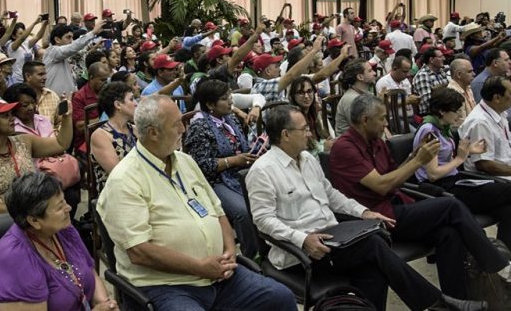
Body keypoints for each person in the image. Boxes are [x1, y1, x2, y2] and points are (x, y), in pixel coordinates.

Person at [247, 104, 485, 311]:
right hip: (302, 254)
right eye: (304, 129)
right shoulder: (263, 171)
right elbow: (263, 221)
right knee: (373, 244)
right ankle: (438, 303)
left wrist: (363, 212)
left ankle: (437, 304)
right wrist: (302, 239)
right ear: (286, 134)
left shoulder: (308, 159)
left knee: (374, 268)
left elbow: (331, 195)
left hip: (333, 239)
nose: (310, 133)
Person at [330, 93, 511, 299]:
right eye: (382, 118)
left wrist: (413, 157)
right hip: (374, 218)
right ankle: (504, 270)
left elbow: (394, 177)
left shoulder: (376, 142)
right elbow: (381, 186)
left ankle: (459, 301)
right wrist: (418, 161)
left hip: (396, 204)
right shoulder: (345, 148)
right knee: (451, 206)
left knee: (449, 233)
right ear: (365, 120)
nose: (386, 123)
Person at [97, 95, 295, 311]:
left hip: (217, 274)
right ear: (153, 133)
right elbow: (139, 251)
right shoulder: (124, 180)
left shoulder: (185, 161)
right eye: (176, 124)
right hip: (166, 285)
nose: (183, 129)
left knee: (280, 297)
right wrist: (200, 267)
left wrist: (229, 251)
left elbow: (218, 211)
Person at [414, 86, 511, 260]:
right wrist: (460, 158)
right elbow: (433, 174)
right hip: (442, 188)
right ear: (442, 111)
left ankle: (509, 263)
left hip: (455, 180)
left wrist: (469, 151)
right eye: (456, 111)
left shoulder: (442, 127)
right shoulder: (429, 131)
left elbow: (445, 158)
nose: (460, 115)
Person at [0, 172, 118, 310]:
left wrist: (106, 304)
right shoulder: (15, 260)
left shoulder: (63, 229)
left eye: (64, 201)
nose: (69, 208)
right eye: (59, 207)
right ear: (34, 221)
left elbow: (89, 271)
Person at [183, 78, 259, 259]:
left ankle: (269, 245)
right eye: (225, 98)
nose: (231, 101)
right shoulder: (199, 126)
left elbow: (241, 147)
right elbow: (201, 166)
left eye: (229, 96)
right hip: (215, 180)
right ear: (210, 104)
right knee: (243, 211)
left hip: (240, 173)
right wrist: (233, 161)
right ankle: (252, 256)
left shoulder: (230, 119)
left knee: (268, 195)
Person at [0, 94, 72, 216]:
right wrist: (19, 214)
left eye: (11, 114)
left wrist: (66, 117)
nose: (12, 119)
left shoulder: (24, 141)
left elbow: (61, 144)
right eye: (5, 116)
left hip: (30, 215)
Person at [460, 76, 511, 200]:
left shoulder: (498, 111)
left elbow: (503, 148)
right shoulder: (480, 122)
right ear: (497, 98)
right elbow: (484, 164)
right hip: (502, 178)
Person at [90, 81, 137, 194]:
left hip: (137, 186)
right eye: (131, 99)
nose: (136, 103)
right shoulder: (101, 136)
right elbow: (118, 174)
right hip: (115, 193)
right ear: (118, 105)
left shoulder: (135, 129)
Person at [44, 20, 105, 96]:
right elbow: (73, 47)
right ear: (57, 39)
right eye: (68, 37)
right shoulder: (52, 51)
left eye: (72, 38)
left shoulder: (64, 56)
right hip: (53, 100)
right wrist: (93, 33)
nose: (71, 41)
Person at [287, 76, 334, 154]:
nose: (306, 96)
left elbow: (321, 137)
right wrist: (323, 147)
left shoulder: (313, 113)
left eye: (309, 91)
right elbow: (301, 150)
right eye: (300, 93)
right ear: (293, 96)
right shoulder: (293, 117)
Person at [72, 62, 110, 150]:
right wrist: (104, 118)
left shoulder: (107, 91)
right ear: (91, 78)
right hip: (87, 142)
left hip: (107, 135)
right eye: (102, 80)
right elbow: (80, 126)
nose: (105, 83)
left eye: (106, 80)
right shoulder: (79, 97)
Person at [334, 58, 376, 136]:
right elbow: (364, 129)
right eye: (370, 71)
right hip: (352, 141)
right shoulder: (351, 99)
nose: (374, 73)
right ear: (360, 77)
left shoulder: (366, 93)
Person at [412, 47, 449, 116]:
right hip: (430, 114)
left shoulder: (441, 72)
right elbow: (428, 102)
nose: (444, 59)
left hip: (443, 111)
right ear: (431, 60)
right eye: (440, 57)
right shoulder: (422, 75)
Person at [446, 57, 476, 129]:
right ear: (459, 74)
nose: (474, 74)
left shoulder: (468, 88)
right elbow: (459, 125)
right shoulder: (452, 94)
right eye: (470, 71)